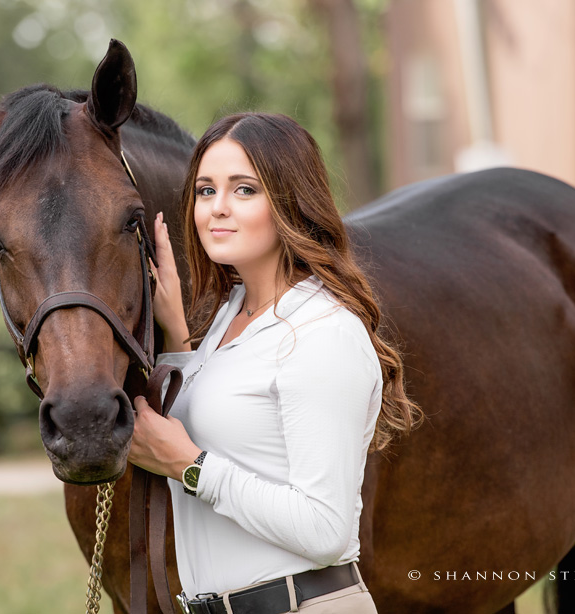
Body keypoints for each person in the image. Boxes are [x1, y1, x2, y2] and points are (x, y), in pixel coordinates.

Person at [127, 112, 420, 614]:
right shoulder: (229, 318)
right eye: (204, 191)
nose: (217, 209)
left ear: (290, 201)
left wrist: (188, 467)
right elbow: (229, 423)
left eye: (244, 190)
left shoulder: (321, 332)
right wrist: (176, 334)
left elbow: (325, 530)